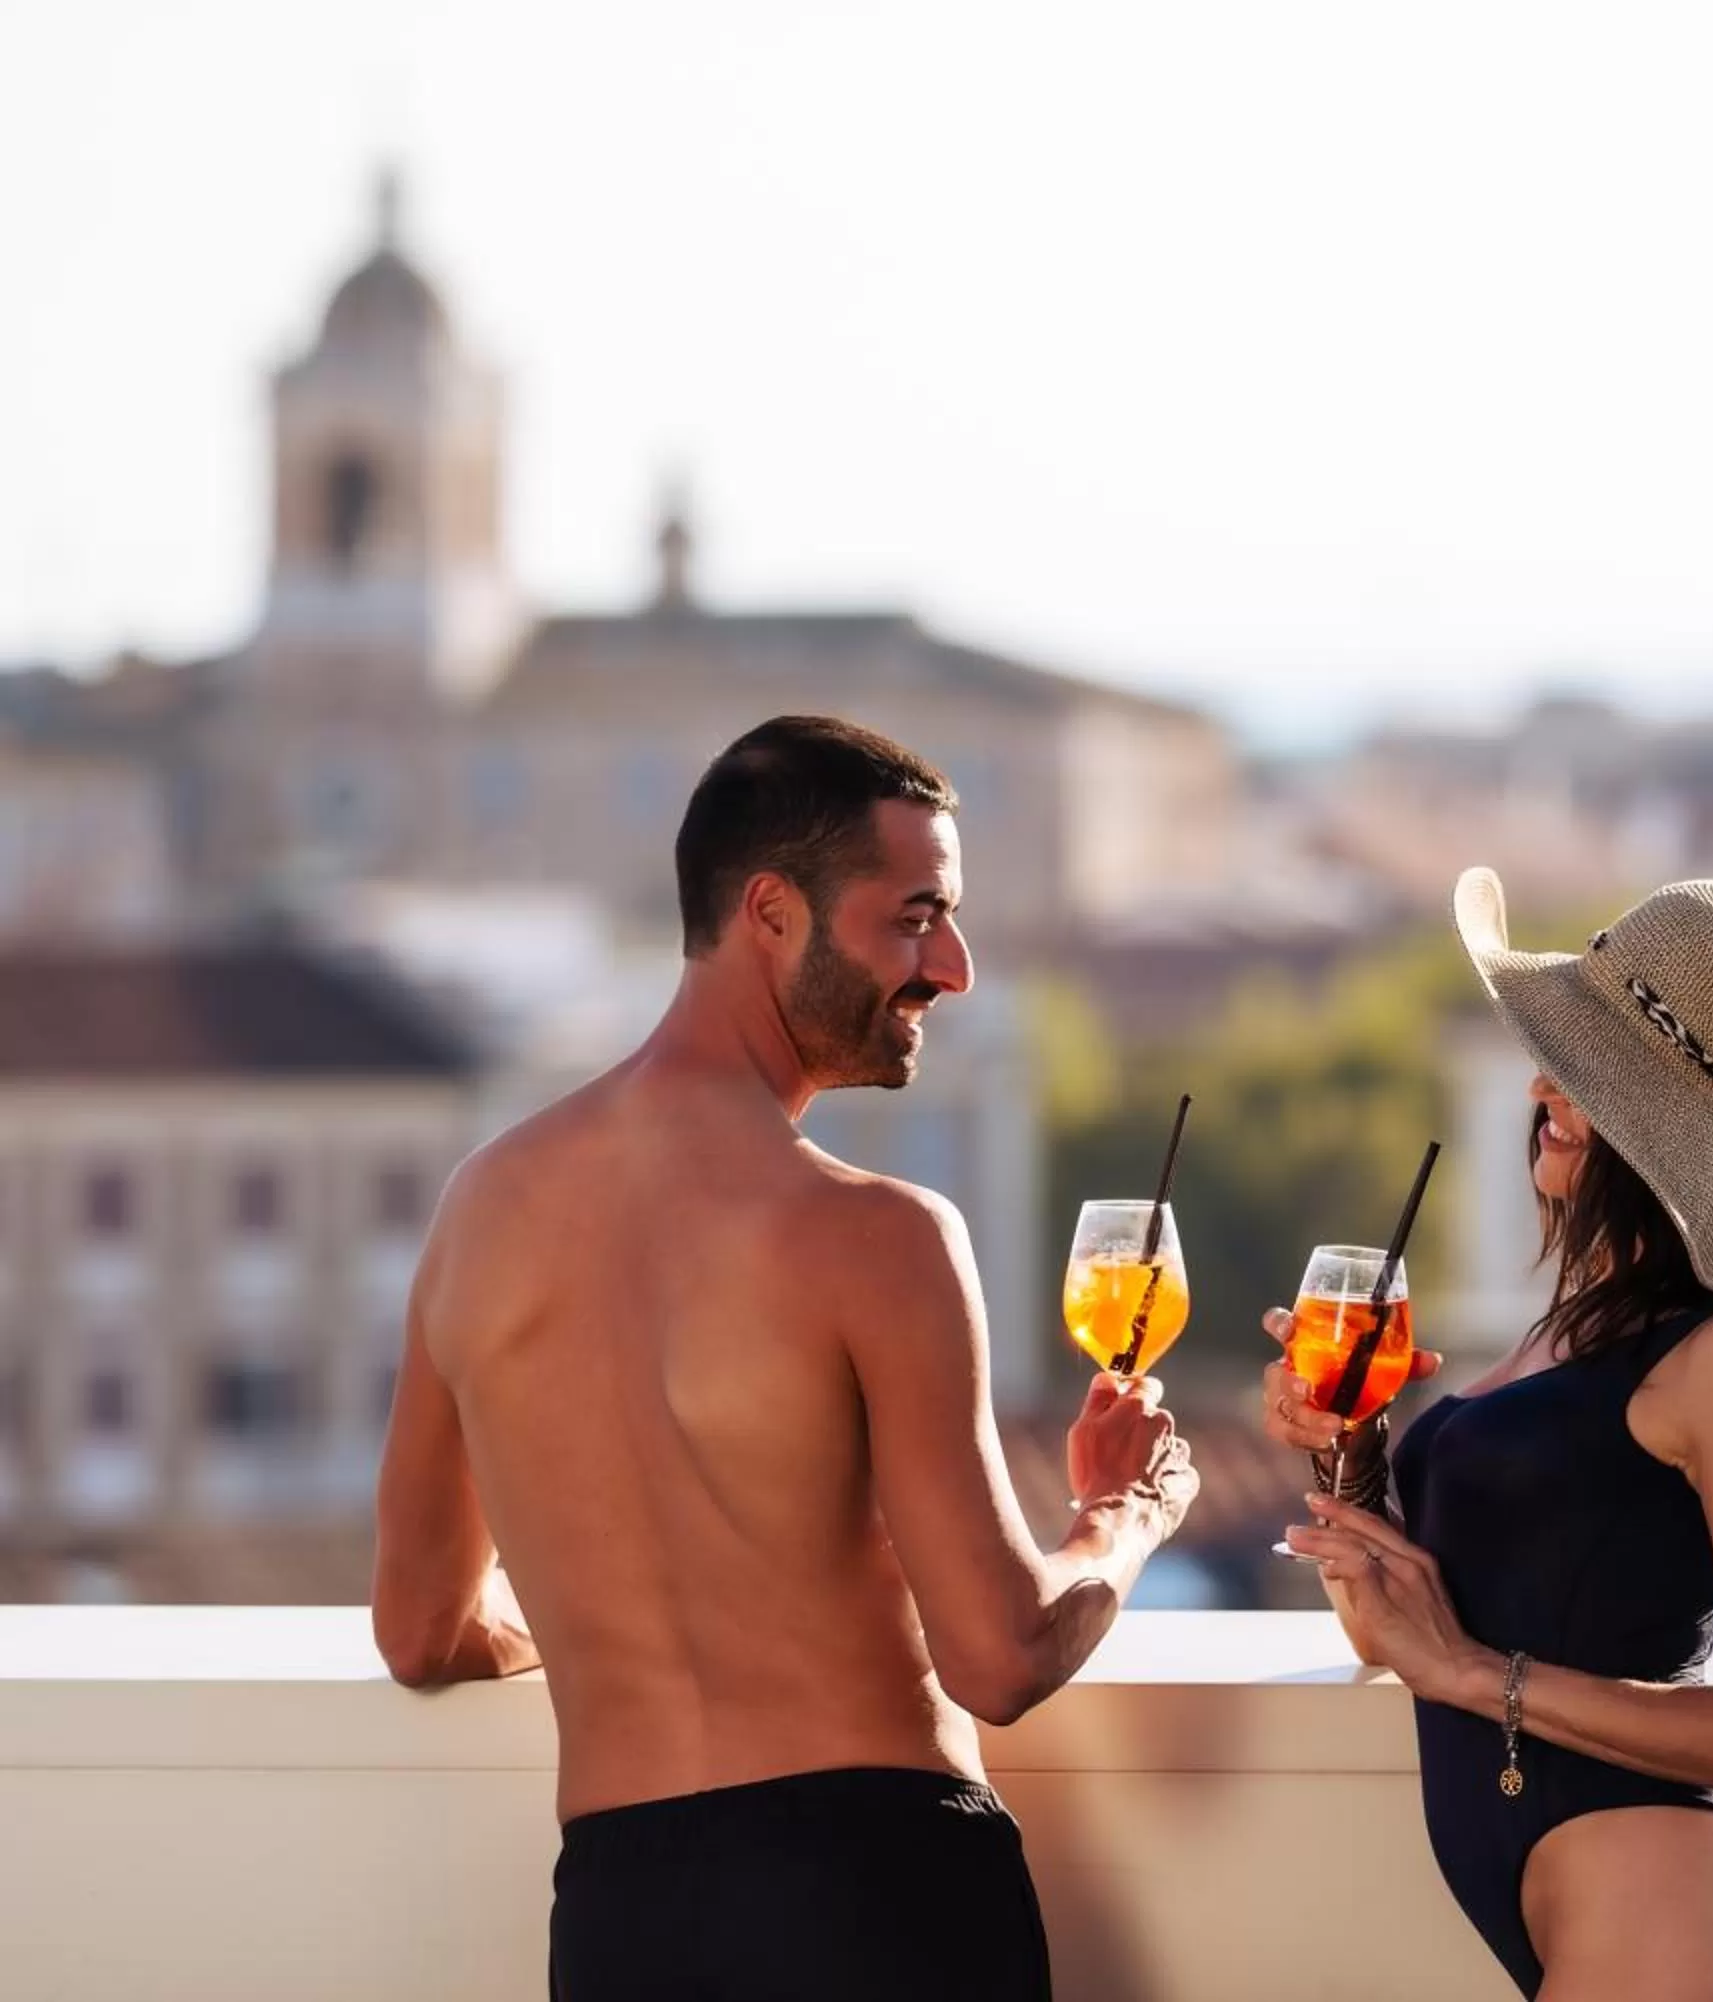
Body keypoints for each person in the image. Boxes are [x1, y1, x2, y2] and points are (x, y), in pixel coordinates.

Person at [373, 714, 1197, 2001]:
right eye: (916, 916)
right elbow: (1000, 1654)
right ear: (771, 912)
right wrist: (1125, 1514)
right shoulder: (878, 1235)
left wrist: (600, 1614)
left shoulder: (481, 1209)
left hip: (622, 1914)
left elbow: (422, 1631)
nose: (956, 967)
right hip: (877, 1898)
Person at [1269, 867, 1713, 2001]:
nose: (1541, 1085)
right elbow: (1403, 1637)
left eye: (1581, 1070)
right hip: (1615, 1926)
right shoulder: (1576, 1327)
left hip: (1688, 1926)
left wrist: (1479, 1675)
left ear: (1663, 1128)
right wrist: (1350, 1448)